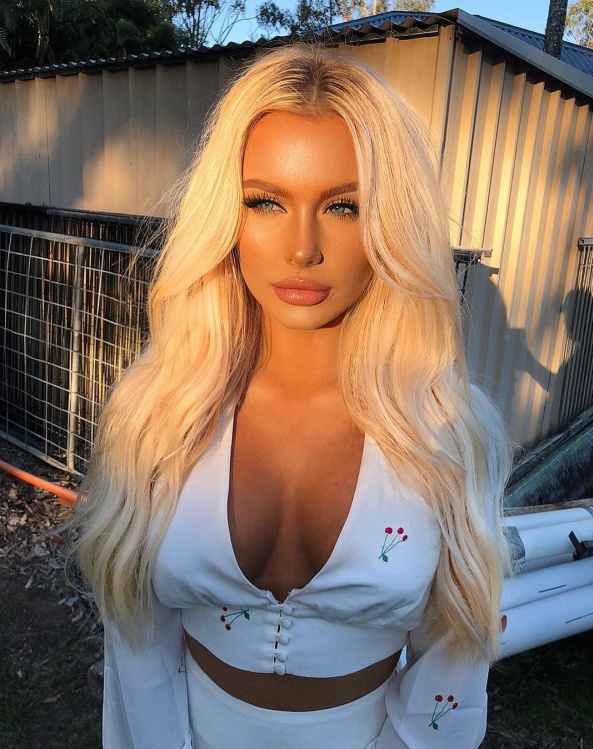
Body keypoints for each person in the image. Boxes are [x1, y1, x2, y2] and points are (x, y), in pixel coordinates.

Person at [74, 44, 511, 749]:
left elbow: (452, 659)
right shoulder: (161, 415)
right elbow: (135, 637)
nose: (302, 247)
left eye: (343, 206)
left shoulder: (446, 433)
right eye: (266, 201)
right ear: (228, 215)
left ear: (389, 225)